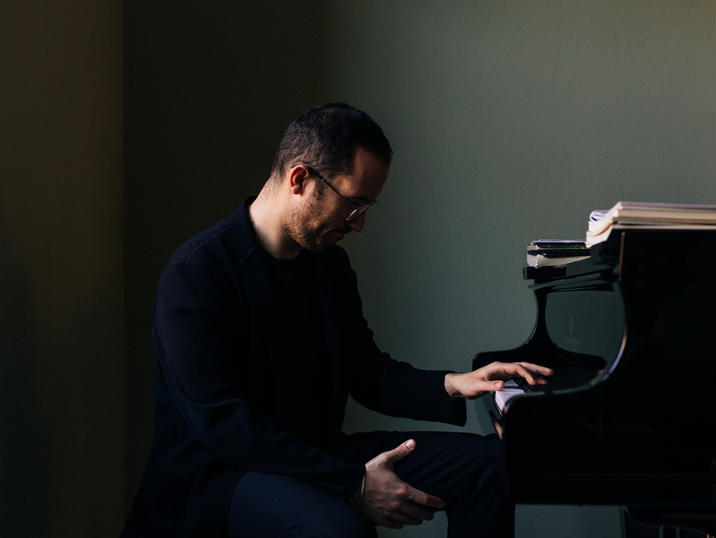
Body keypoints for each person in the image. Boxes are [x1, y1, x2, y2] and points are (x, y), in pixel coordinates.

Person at [121, 103, 552, 538]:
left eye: (367, 207)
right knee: (337, 528)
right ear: (300, 179)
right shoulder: (195, 274)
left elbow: (367, 373)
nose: (359, 223)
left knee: (489, 467)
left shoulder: (328, 267)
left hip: (315, 452)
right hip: (220, 476)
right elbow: (225, 428)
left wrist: (457, 383)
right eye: (353, 205)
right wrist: (355, 482)